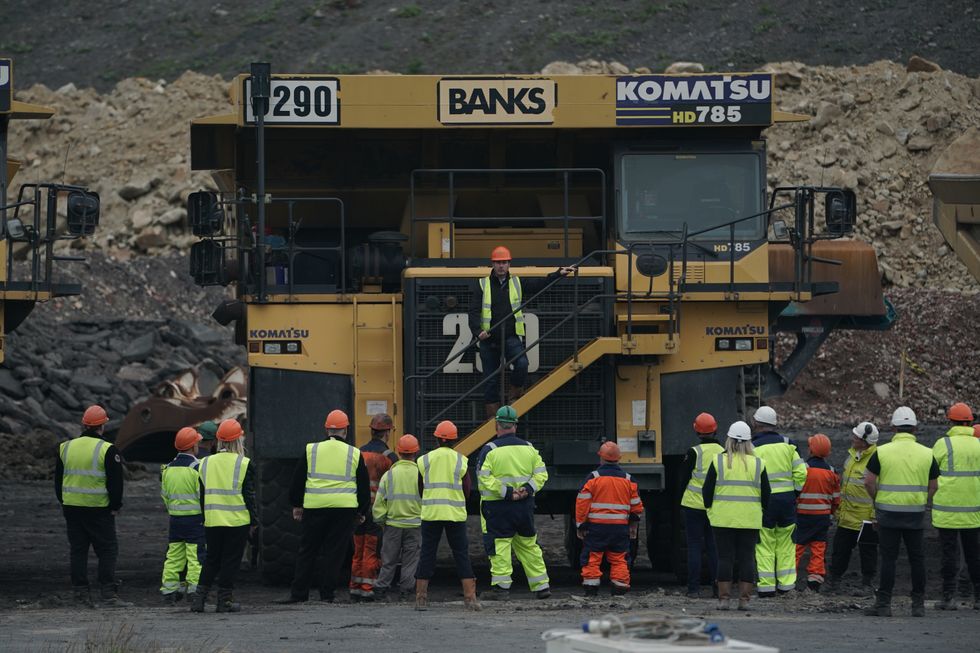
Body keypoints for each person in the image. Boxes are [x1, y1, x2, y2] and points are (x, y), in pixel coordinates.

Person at [468, 245, 576, 418]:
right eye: (498, 263)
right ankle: (493, 419)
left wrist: (558, 274)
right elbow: (473, 311)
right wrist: (478, 331)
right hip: (488, 339)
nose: (501, 266)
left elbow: (539, 285)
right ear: (493, 265)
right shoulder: (482, 284)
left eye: (504, 262)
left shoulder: (517, 282)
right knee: (490, 380)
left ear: (509, 264)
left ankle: (514, 396)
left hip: (510, 336)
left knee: (522, 364)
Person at [276, 409, 370, 604]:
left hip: (315, 508)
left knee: (307, 551)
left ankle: (299, 594)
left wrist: (297, 504)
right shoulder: (354, 453)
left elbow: (298, 479)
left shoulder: (311, 450)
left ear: (326, 429)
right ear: (346, 430)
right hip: (344, 510)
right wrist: (361, 511)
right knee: (334, 553)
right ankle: (327, 595)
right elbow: (363, 485)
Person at [862, 406, 939, 618]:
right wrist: (923, 501)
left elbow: (868, 482)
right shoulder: (927, 453)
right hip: (914, 514)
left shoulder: (882, 451)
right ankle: (918, 605)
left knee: (888, 559)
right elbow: (934, 486)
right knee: (917, 559)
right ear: (915, 428)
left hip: (887, 514)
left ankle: (884, 604)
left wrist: (878, 500)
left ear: (893, 427)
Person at [55, 405, 131, 608]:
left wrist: (65, 502)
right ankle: (108, 594)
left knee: (78, 551)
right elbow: (115, 483)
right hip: (99, 510)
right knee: (107, 550)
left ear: (84, 424)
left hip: (72, 508)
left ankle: (80, 594)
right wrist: (116, 505)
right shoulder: (107, 449)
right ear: (102, 426)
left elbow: (58, 481)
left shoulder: (65, 447)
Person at [476, 405, 551, 600]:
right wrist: (527, 489)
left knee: (500, 545)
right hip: (524, 506)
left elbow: (484, 478)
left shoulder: (489, 450)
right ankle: (541, 586)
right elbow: (541, 474)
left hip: (497, 507)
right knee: (528, 544)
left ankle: (501, 588)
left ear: (497, 425)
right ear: (515, 426)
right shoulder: (530, 449)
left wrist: (508, 493)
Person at [190, 419, 257, 613]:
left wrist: (205, 517)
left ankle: (198, 600)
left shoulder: (204, 463)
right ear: (238, 440)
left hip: (212, 520)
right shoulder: (244, 464)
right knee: (230, 561)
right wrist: (254, 521)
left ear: (218, 440)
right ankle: (224, 601)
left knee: (212, 559)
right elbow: (249, 496)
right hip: (237, 521)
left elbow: (202, 496)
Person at [703, 421, 771, 611]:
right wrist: (759, 511)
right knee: (747, 558)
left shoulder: (718, 461)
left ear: (729, 440)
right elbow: (767, 495)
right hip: (750, 519)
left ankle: (724, 599)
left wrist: (711, 510)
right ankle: (744, 600)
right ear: (749, 442)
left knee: (724, 558)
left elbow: (706, 492)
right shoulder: (758, 463)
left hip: (722, 519)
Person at [414, 420, 480, 611]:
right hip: (454, 514)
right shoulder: (461, 460)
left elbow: (421, 488)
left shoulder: (424, 460)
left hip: (431, 513)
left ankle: (421, 598)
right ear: (454, 440)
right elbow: (467, 490)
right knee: (461, 554)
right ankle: (470, 598)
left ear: (436, 439)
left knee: (427, 553)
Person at [750, 406, 806, 597]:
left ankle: (766, 587)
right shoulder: (788, 444)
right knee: (786, 544)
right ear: (774, 424)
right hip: (787, 501)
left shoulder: (752, 448)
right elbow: (801, 472)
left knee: (765, 543)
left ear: (756, 423)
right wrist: (794, 493)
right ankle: (786, 586)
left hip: (764, 502)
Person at [575, 441, 644, 596]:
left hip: (596, 527)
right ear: (619, 458)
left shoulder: (593, 478)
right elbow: (636, 506)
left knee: (592, 555)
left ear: (601, 458)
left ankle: (591, 587)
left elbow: (582, 503)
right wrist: (633, 525)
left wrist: (581, 525)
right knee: (619, 557)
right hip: (620, 528)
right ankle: (620, 585)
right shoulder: (629, 479)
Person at [932, 402, 980, 611]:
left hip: (947, 511)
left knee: (949, 555)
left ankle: (948, 597)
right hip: (973, 511)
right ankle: (978, 598)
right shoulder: (978, 445)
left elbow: (930, 470)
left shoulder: (943, 444)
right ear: (970, 422)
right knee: (974, 555)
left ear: (950, 421)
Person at [827, 421, 879, 596]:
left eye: (856, 436)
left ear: (865, 441)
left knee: (868, 553)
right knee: (840, 551)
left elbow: (878, 490)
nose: (852, 438)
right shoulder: (851, 456)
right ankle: (834, 582)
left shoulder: (877, 459)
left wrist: (874, 514)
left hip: (866, 519)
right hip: (847, 516)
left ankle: (867, 584)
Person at [350, 413, 398, 602]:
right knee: (372, 549)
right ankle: (369, 589)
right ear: (387, 432)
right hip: (376, 511)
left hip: (358, 509)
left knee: (358, 548)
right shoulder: (390, 457)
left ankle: (355, 588)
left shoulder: (358, 453)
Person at [373, 434, 423, 601]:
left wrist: (380, 520)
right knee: (410, 561)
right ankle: (406, 591)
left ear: (399, 452)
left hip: (393, 525)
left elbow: (380, 501)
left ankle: (381, 590)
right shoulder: (421, 474)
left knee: (388, 559)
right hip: (415, 525)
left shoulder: (390, 475)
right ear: (416, 452)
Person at [159, 427, 206, 604]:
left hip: (176, 519)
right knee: (195, 556)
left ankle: (169, 590)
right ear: (193, 446)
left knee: (174, 555)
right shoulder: (197, 468)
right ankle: (194, 591)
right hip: (195, 520)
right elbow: (202, 496)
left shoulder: (167, 469)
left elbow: (165, 496)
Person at [679, 412, 723, 598]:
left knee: (695, 546)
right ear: (715, 429)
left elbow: (683, 480)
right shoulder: (723, 452)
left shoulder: (693, 452)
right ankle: (717, 588)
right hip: (715, 506)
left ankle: (693, 589)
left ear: (696, 430)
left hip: (693, 506)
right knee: (714, 547)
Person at [794, 433, 840, 591]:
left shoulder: (803, 470)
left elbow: (796, 493)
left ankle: (788, 578)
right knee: (818, 549)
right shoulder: (832, 472)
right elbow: (836, 499)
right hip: (822, 519)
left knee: (796, 547)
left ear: (811, 450)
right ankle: (815, 580)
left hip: (802, 517)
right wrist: (830, 513)